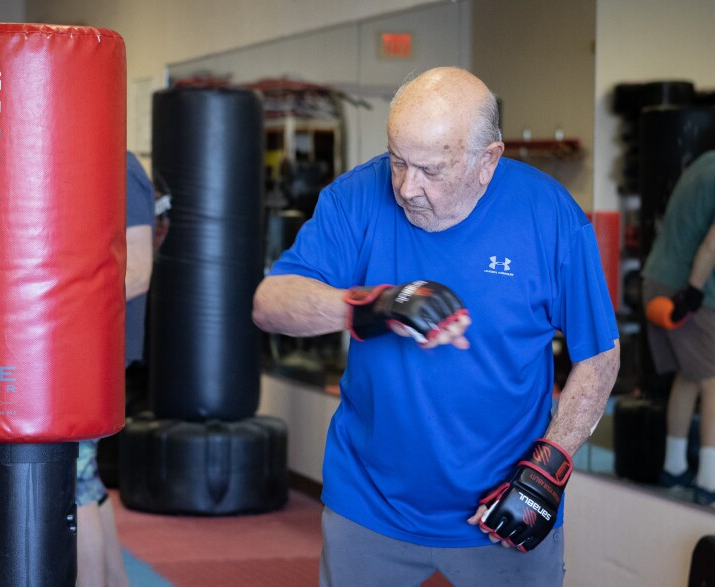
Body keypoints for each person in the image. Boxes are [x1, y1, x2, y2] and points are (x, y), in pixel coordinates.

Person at [252, 67, 620, 586]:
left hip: (502, 509)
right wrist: (370, 305)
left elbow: (600, 354)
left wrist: (550, 464)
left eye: (430, 169)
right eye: (398, 161)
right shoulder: (356, 197)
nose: (406, 187)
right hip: (369, 505)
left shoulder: (549, 217)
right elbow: (270, 303)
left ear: (487, 161)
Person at [76, 151, 155, 587]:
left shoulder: (120, 166)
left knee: (72, 482)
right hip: (76, 348)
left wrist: (59, 314)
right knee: (85, 477)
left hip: (94, 349)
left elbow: (139, 272)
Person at [642, 149, 715, 508]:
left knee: (690, 376)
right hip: (686, 288)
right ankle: (710, 480)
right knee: (712, 380)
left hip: (657, 278)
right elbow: (712, 243)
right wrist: (695, 292)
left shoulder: (705, 162)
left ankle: (674, 468)